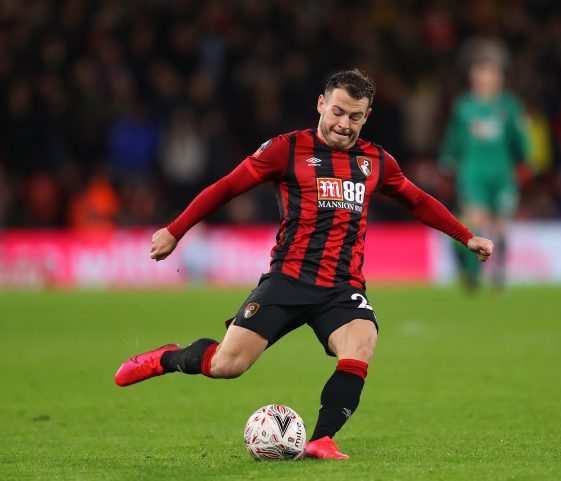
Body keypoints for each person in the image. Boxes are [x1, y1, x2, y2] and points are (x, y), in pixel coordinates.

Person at [114, 69, 494, 459]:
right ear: (321, 104)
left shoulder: (377, 161)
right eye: (338, 112)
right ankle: (168, 358)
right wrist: (175, 230)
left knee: (361, 342)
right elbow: (227, 187)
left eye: (355, 117)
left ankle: (322, 438)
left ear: (367, 116)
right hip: (288, 280)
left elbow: (419, 201)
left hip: (342, 287)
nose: (344, 124)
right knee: (228, 364)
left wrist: (467, 236)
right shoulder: (287, 149)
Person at [440, 42, 529, 290]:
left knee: (501, 226)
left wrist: (526, 160)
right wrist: (447, 160)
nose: (486, 77)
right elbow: (453, 138)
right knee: (474, 222)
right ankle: (473, 274)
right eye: (481, 71)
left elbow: (520, 138)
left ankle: (499, 271)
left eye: (491, 72)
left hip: (502, 174)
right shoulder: (464, 107)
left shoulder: (509, 106)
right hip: (473, 174)